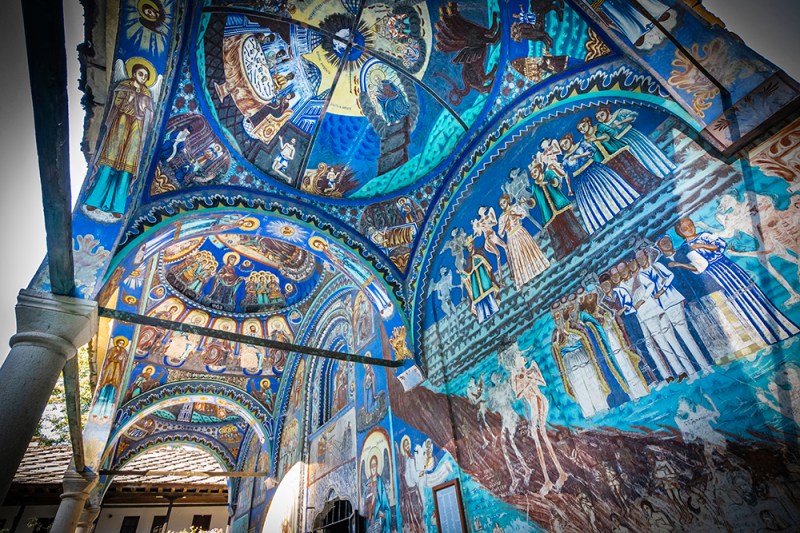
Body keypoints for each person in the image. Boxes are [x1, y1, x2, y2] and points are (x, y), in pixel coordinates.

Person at [675, 217, 799, 345]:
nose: (689, 228)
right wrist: (681, 265)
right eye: (685, 228)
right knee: (739, 302)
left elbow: (721, 245)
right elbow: (697, 267)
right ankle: (767, 337)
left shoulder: (704, 236)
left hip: (727, 267)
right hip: (716, 275)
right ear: (680, 232)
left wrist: (701, 245)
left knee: (752, 295)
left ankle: (784, 329)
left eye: (690, 224)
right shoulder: (685, 248)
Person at [85, 62, 154, 218]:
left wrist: (141, 108)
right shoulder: (123, 87)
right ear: (134, 74)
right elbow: (116, 105)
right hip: (120, 128)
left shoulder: (147, 95)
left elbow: (149, 118)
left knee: (126, 171)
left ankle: (118, 207)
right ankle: (94, 200)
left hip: (135, 133)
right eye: (141, 74)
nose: (143, 78)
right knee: (108, 165)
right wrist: (131, 101)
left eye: (145, 76)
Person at [558, 132, 639, 234]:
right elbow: (566, 175)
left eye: (565, 143)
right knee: (591, 200)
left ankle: (625, 204)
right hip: (580, 179)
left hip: (593, 169)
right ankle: (607, 219)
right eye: (562, 146)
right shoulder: (565, 160)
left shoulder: (582, 144)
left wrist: (578, 156)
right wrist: (569, 189)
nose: (564, 146)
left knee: (607, 187)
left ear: (570, 139)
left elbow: (592, 151)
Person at [497, 194, 550, 289]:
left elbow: (523, 214)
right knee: (517, 257)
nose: (503, 205)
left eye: (504, 202)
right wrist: (505, 223)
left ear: (507, 201)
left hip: (519, 231)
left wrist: (514, 214)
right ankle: (524, 278)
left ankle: (537, 269)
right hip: (511, 237)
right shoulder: (501, 217)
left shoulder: (514, 207)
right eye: (501, 204)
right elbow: (500, 234)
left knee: (528, 250)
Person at [364, 454, 392, 533]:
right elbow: (365, 505)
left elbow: (385, 504)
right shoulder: (367, 484)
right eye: (371, 466)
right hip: (370, 520)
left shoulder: (380, 483)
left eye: (374, 465)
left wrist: (383, 514)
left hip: (378, 520)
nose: (373, 468)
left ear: (377, 466)